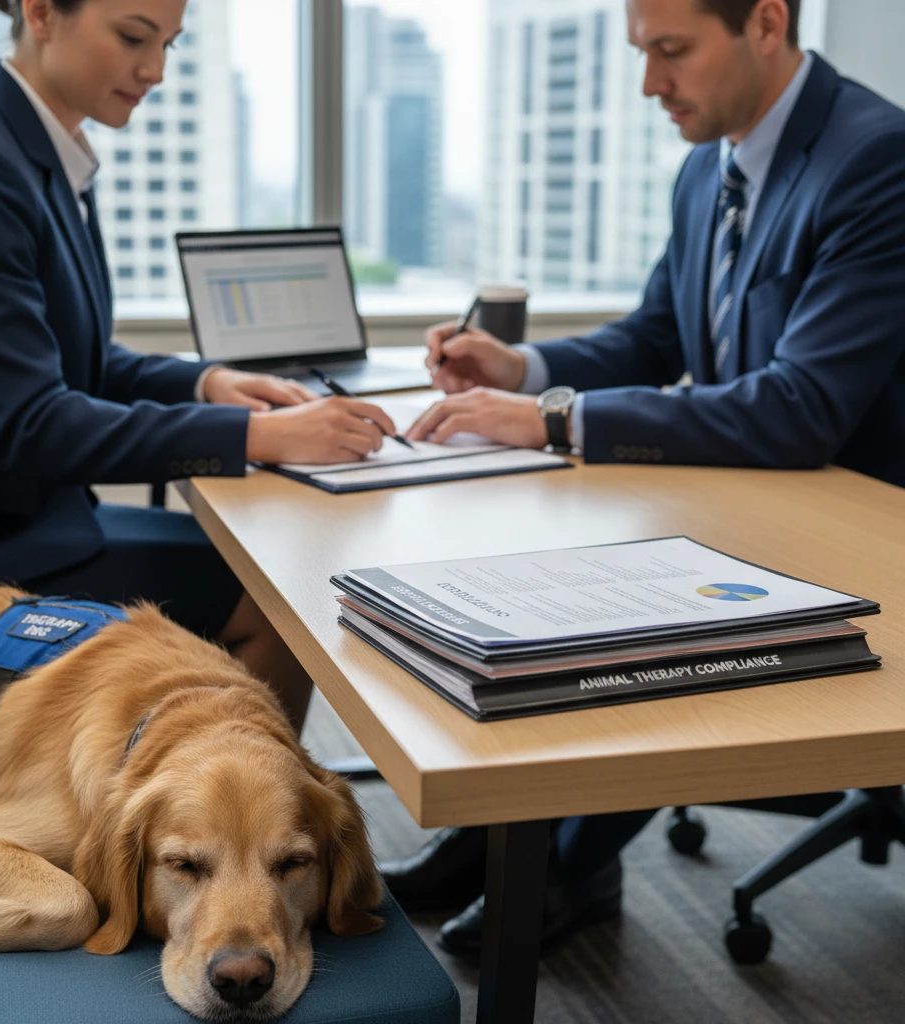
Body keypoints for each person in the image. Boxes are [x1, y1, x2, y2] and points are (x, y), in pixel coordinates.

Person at [386, 0, 905, 955]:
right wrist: (525, 369)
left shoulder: (877, 158)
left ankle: (566, 861)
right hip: (752, 502)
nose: (650, 85)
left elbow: (799, 406)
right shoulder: (709, 162)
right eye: (641, 53)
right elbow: (656, 337)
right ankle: (507, 838)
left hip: (860, 538)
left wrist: (553, 420)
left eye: (672, 52)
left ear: (765, 22)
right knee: (548, 570)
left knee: (622, 609)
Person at [0, 0, 399, 734]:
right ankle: (236, 829)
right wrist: (260, 437)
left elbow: (75, 363)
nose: (153, 70)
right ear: (40, 12)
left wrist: (205, 382)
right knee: (281, 598)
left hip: (32, 519)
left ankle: (207, 804)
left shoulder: (35, 157)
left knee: (271, 567)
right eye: (132, 37)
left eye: (169, 45)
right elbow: (35, 424)